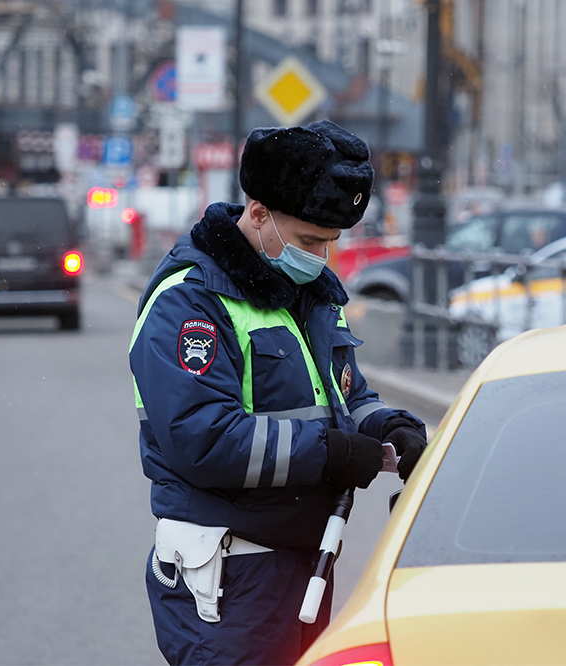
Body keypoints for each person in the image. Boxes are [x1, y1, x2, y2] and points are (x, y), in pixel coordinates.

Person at [129, 119, 428, 666]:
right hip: (226, 574)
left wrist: (387, 425)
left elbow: (344, 394)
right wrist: (332, 452)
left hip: (300, 563)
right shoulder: (189, 303)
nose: (321, 257)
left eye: (331, 242)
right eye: (310, 240)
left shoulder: (305, 293)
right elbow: (204, 439)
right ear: (259, 212)